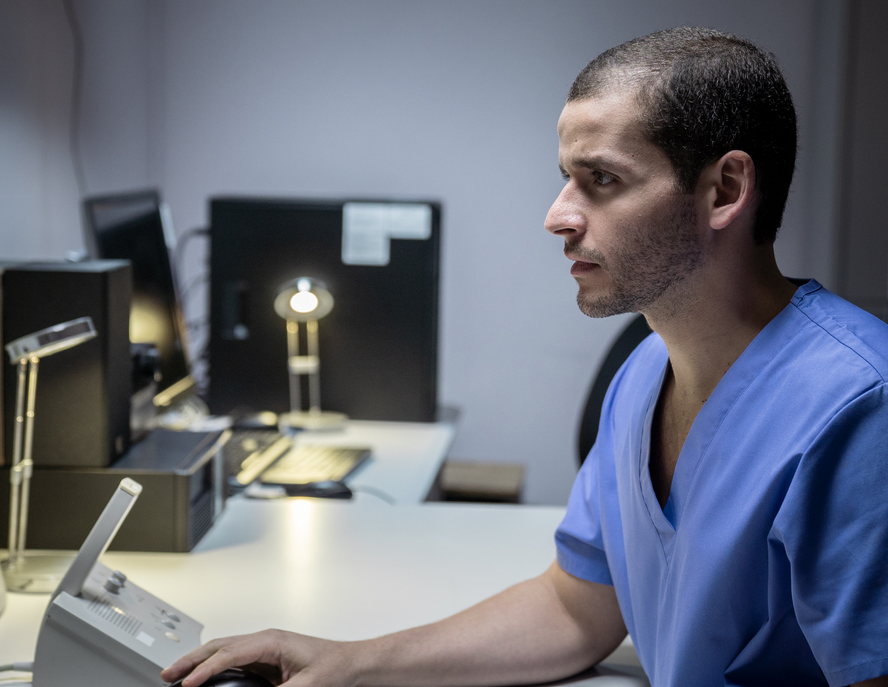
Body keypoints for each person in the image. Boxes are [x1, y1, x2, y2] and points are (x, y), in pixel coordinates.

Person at [162, 27, 888, 687]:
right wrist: (350, 659)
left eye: (601, 179)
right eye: (566, 176)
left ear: (723, 190)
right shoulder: (644, 373)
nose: (557, 215)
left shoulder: (858, 408)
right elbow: (576, 606)